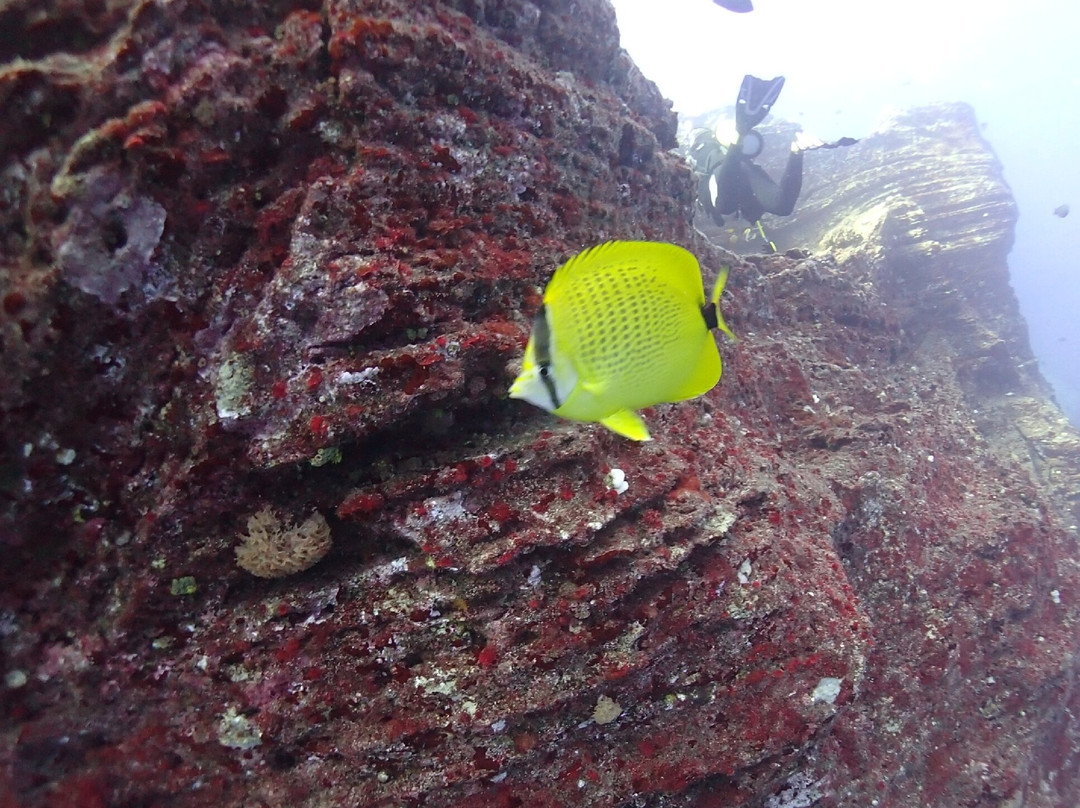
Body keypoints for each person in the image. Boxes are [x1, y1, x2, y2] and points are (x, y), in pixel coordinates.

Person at [690, 75, 854, 252]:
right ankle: (796, 149)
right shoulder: (725, 158)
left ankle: (740, 136)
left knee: (725, 205)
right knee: (780, 206)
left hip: (725, 171)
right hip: (741, 168)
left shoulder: (701, 156)